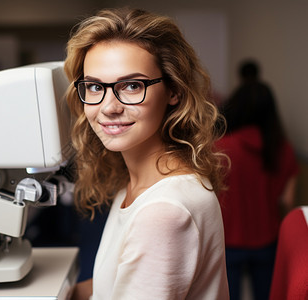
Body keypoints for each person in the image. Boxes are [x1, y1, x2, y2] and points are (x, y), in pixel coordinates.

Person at [63, 8, 229, 299]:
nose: (110, 107)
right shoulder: (143, 184)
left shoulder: (163, 212)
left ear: (173, 90)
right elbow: (116, 284)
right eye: (94, 86)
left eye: (131, 85)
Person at [217, 60, 299, 300]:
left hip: (227, 241)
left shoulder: (219, 149)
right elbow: (288, 200)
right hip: (267, 241)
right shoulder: (283, 149)